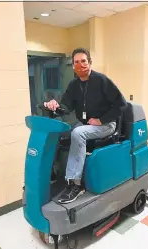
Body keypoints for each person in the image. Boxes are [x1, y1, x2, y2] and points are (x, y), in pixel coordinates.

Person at [44, 47, 127, 204]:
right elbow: (66, 106)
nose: (80, 64)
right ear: (73, 66)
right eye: (76, 62)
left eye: (83, 61)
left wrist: (101, 120)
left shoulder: (102, 81)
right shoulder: (74, 84)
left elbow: (121, 105)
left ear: (89, 63)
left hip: (107, 125)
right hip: (84, 124)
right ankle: (53, 172)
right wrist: (55, 106)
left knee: (78, 133)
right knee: (59, 132)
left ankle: (75, 185)